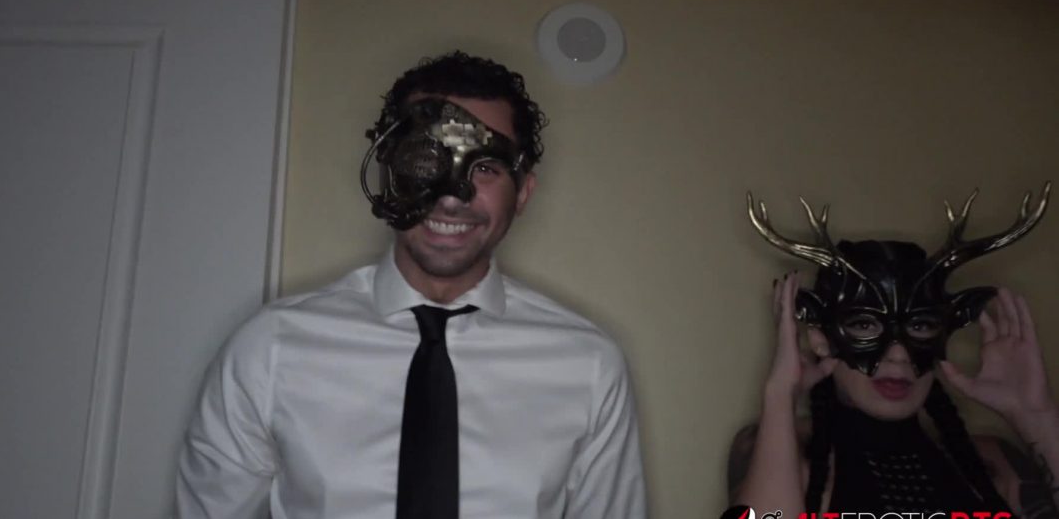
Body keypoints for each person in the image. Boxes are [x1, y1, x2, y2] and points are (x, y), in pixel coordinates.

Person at [176, 51, 646, 519]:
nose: (451, 196)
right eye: (427, 157)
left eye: (485, 167)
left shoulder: (588, 365)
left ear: (522, 192)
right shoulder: (270, 348)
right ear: (389, 171)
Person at [728, 186, 1059, 518]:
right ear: (821, 339)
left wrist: (1034, 414)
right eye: (864, 324)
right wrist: (779, 394)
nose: (898, 354)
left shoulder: (992, 464)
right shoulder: (791, 454)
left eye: (920, 325)